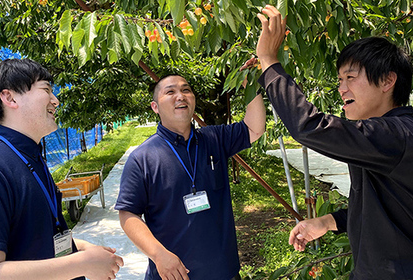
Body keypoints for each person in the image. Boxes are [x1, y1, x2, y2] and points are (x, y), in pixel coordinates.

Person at [256, 5, 413, 280]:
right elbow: (381, 207)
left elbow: (309, 127)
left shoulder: (398, 135)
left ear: (388, 81)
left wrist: (269, 61)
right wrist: (328, 222)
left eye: (350, 78)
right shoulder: (381, 139)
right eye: (340, 80)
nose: (342, 89)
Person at [0, 58, 124, 280]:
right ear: (9, 97)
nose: (55, 100)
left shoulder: (30, 156)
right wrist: (81, 264)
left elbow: (32, 238)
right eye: (46, 89)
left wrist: (84, 249)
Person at [114, 71, 266, 280]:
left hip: (224, 272)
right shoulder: (143, 158)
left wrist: (250, 84)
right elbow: (128, 214)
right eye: (170, 92)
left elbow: (254, 128)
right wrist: (158, 255)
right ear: (155, 107)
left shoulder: (214, 139)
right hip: (174, 276)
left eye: (186, 90)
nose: (181, 96)